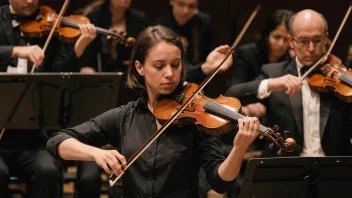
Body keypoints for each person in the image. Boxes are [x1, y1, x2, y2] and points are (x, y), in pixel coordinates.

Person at [46, 25, 260, 198]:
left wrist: (239, 148)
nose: (169, 74)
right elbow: (57, 142)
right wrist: (96, 153)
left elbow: (220, 182)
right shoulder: (124, 116)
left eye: (176, 65)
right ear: (140, 68)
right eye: (159, 66)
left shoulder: (196, 119)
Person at [225, 9, 352, 158]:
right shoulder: (274, 72)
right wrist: (272, 83)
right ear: (291, 41)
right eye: (304, 41)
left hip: (334, 169)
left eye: (317, 40)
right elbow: (232, 94)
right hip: (286, 168)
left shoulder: (341, 80)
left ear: (326, 39)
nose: (311, 48)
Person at [0, 0, 96, 197]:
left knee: (47, 171)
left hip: (32, 138)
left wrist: (80, 46)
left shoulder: (50, 28)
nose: (30, 1)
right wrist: (14, 51)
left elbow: (60, 76)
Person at [227, 9, 294, 118]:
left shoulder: (290, 60)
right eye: (276, 37)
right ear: (267, 35)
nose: (281, 44)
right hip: (244, 114)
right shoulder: (247, 53)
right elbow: (234, 90)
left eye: (286, 39)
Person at [156, 0, 232, 84]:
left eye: (191, 6)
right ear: (172, 2)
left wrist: (212, 64)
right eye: (181, 4)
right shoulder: (159, 25)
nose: (186, 11)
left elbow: (204, 56)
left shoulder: (203, 22)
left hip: (198, 79)